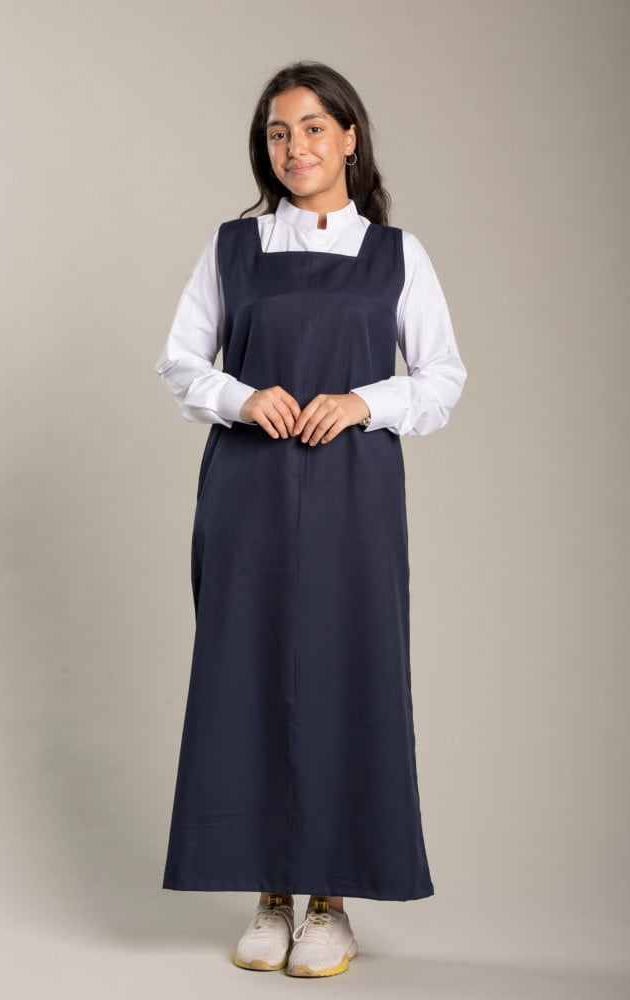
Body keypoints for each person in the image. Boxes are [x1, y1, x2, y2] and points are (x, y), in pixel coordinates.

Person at [154, 60, 467, 979]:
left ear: (349, 136)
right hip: (246, 489)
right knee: (245, 673)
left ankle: (329, 900)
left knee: (347, 673)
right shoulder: (231, 248)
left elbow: (442, 377)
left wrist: (366, 401)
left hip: (352, 495)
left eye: (313, 128)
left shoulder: (397, 254)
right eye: (278, 133)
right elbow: (180, 361)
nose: (295, 147)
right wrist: (241, 396)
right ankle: (270, 893)